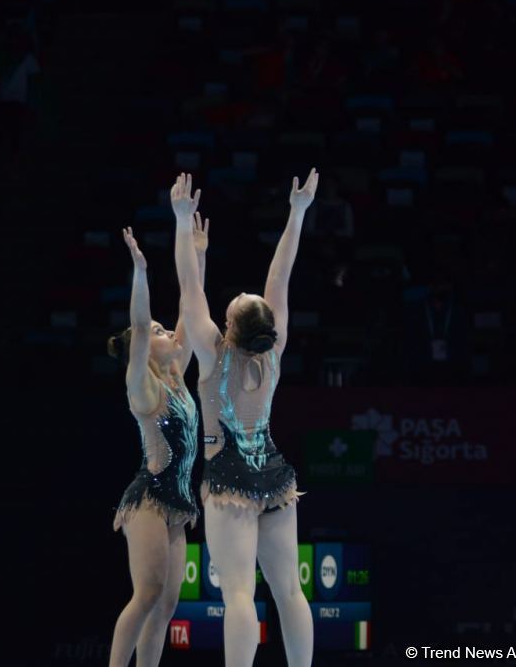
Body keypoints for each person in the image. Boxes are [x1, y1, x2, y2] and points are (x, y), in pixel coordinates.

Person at [170, 170, 319, 667]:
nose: (240, 295)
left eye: (237, 302)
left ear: (229, 325)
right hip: (274, 476)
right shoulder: (274, 351)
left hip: (229, 479)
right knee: (290, 591)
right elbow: (281, 275)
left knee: (238, 594)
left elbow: (188, 286)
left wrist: (181, 222)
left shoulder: (214, 356)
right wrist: (297, 213)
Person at [107, 221, 207, 667]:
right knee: (147, 593)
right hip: (148, 498)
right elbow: (140, 328)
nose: (170, 334)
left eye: (165, 330)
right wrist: (141, 271)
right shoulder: (143, 389)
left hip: (177, 502)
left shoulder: (176, 374)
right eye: (160, 333)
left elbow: (190, 307)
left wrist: (198, 255)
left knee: (166, 604)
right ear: (144, 351)